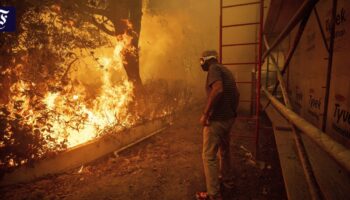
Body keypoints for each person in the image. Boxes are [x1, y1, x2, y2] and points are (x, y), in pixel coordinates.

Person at [196, 50, 240, 200]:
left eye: (201, 61)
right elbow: (237, 93)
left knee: (208, 156)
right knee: (224, 151)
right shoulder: (225, 70)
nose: (201, 63)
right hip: (228, 119)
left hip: (217, 121)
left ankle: (213, 194)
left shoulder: (214, 69)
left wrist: (206, 114)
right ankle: (227, 181)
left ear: (206, 60)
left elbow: (218, 89)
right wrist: (232, 112)